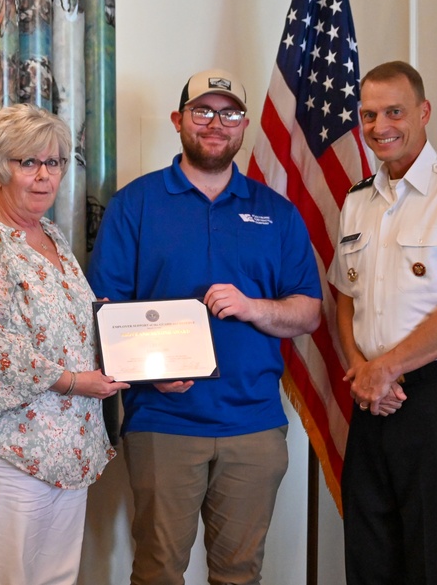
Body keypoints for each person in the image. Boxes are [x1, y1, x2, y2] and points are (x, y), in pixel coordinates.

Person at [87, 68, 323, 585]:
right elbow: (104, 310)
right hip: (163, 423)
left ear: (244, 127)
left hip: (254, 425)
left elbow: (308, 312)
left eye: (231, 113)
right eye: (203, 111)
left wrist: (255, 307)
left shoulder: (276, 214)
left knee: (240, 574)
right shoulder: (136, 204)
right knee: (158, 572)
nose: (217, 124)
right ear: (179, 120)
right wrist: (150, 375)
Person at [0, 103, 129, 585]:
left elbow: (75, 330)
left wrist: (137, 354)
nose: (43, 176)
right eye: (27, 162)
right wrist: (77, 381)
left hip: (64, 452)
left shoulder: (52, 237)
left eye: (53, 162)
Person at [329, 61, 437, 584]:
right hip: (371, 396)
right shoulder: (358, 199)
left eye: (394, 112)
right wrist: (365, 372)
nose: (379, 126)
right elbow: (345, 299)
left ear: (423, 113)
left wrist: (383, 369)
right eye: (368, 114)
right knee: (371, 556)